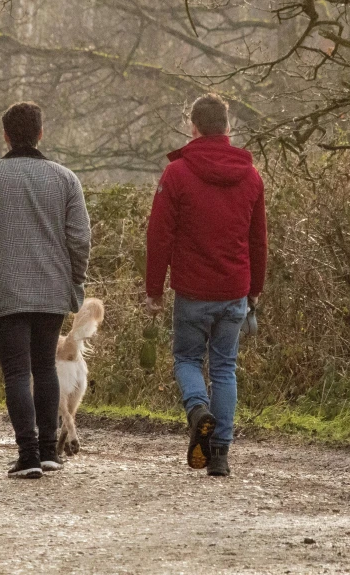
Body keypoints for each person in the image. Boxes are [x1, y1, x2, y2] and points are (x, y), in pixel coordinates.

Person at [0, 101, 91, 479]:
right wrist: (75, 280)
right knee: (44, 369)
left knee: (17, 373)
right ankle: (49, 451)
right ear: (40, 133)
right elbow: (80, 238)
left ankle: (28, 455)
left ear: (5, 135)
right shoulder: (65, 178)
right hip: (52, 289)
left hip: (6, 291)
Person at [145, 94, 267, 477]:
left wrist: (153, 289)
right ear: (227, 128)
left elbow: (159, 236)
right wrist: (255, 289)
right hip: (234, 291)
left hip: (193, 291)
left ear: (193, 128)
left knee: (186, 359)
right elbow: (258, 239)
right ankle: (220, 455)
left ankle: (198, 409)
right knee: (225, 367)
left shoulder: (177, 174)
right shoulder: (250, 176)